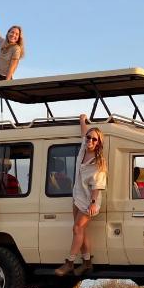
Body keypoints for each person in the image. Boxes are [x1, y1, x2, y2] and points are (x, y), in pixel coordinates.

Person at [55, 114, 107, 277]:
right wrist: (82, 120)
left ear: (99, 143)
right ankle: (87, 262)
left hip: (89, 200)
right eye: (89, 138)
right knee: (81, 231)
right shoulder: (84, 148)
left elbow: (97, 186)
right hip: (78, 196)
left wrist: (92, 203)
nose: (90, 141)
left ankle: (69, 262)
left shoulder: (99, 163)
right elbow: (84, 131)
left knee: (77, 228)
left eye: (94, 140)